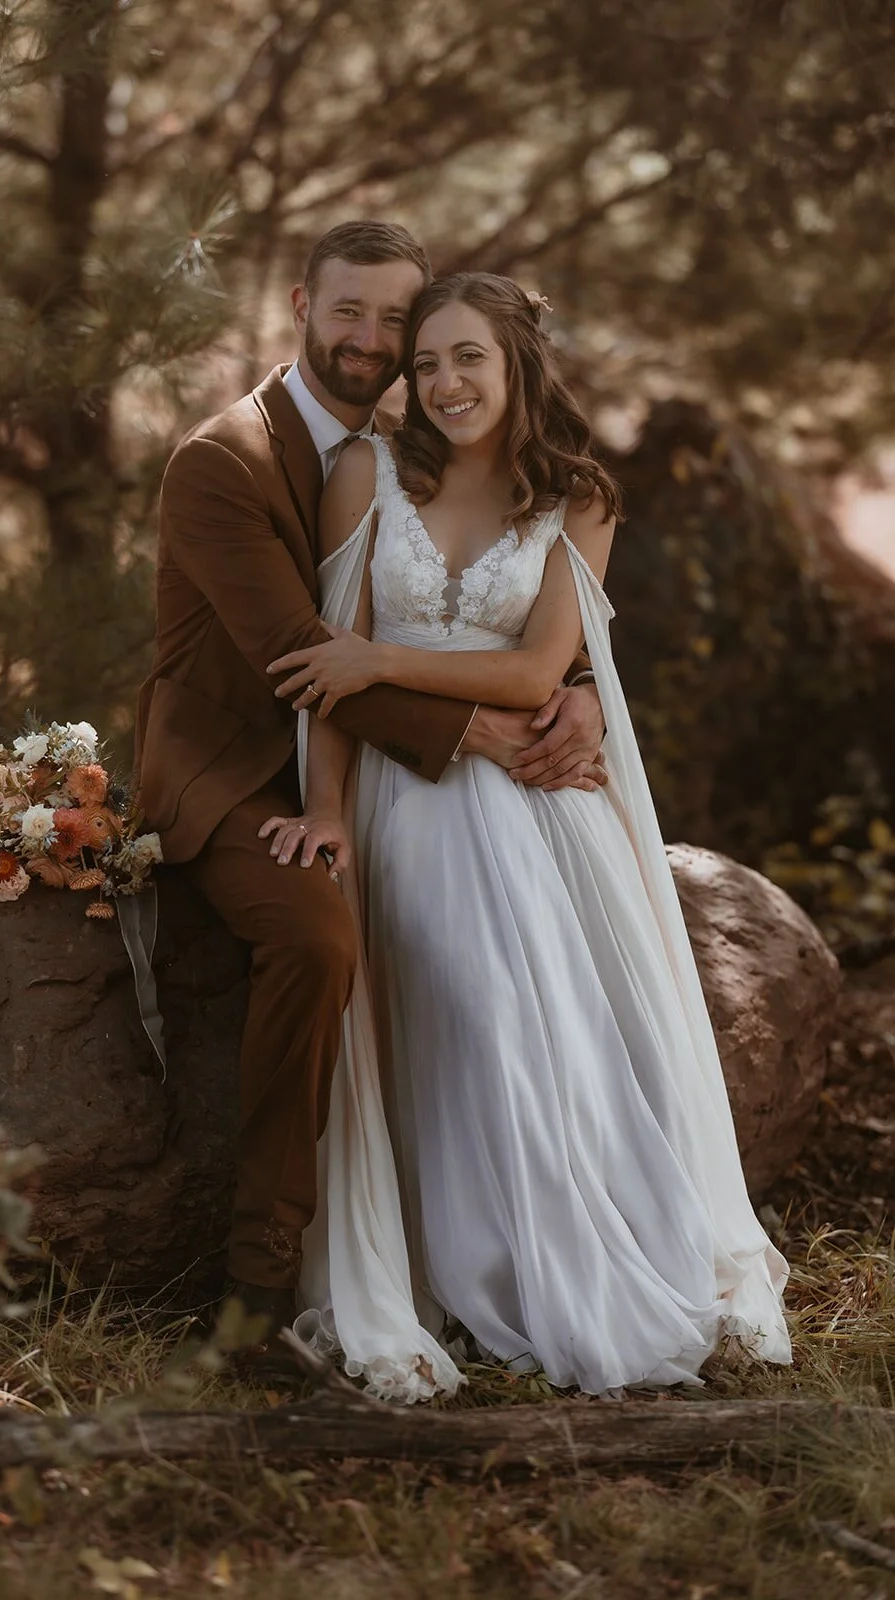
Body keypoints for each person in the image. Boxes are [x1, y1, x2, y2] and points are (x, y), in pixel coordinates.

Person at [263, 271, 791, 1399]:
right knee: (468, 1005)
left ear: (515, 366)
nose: (444, 384)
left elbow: (532, 669)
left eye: (469, 360)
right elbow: (323, 674)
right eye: (427, 364)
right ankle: (461, 1273)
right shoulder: (366, 471)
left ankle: (576, 1260)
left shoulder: (578, 496)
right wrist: (321, 810)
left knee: (547, 1019)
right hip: (401, 795)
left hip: (537, 805)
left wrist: (381, 659)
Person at [133, 224, 606, 1369]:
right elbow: (301, 654)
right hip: (237, 771)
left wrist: (578, 682)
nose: (375, 341)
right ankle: (255, 1283)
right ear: (302, 303)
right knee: (313, 931)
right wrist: (481, 730)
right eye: (351, 312)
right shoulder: (221, 458)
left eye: (397, 320)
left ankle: (509, 1242)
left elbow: (471, 586)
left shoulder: (409, 444)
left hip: (366, 755)